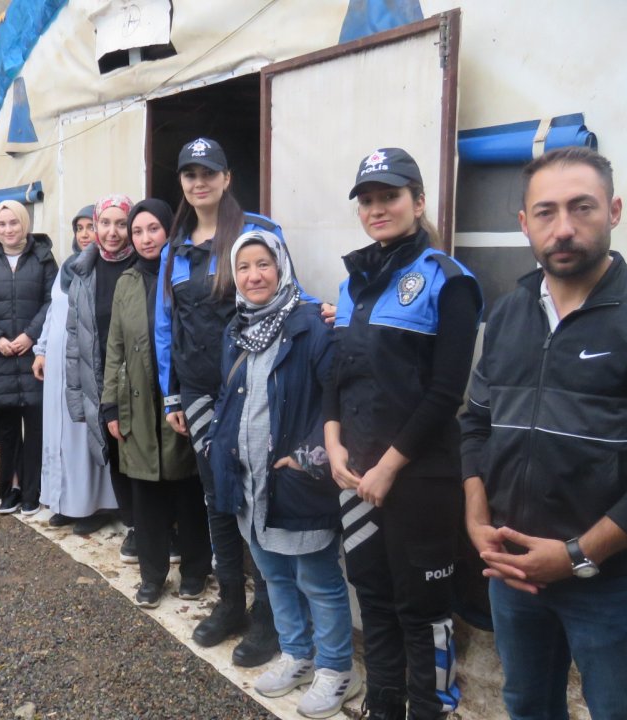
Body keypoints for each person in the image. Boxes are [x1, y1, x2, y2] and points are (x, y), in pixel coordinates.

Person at [460, 147, 627, 719]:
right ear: (524, 224)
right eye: (546, 212)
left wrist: (577, 555)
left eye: (583, 208)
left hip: (613, 585)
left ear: (615, 211)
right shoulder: (508, 315)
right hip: (513, 570)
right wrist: (476, 518)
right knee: (528, 705)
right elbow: (476, 422)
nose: (565, 229)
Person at [154, 137, 329, 666]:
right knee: (219, 500)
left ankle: (269, 618)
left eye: (209, 172)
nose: (199, 181)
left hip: (256, 394)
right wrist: (172, 397)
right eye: (189, 174)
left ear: (227, 178)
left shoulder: (260, 233)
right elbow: (167, 330)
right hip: (202, 398)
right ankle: (230, 602)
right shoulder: (174, 249)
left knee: (261, 499)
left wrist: (329, 315)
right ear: (182, 183)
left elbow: (289, 296)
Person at [324, 148, 481, 719]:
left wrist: (389, 467)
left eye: (389, 196)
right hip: (355, 474)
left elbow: (447, 394)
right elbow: (337, 375)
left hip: (418, 477)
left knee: (424, 610)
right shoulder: (354, 283)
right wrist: (334, 440)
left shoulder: (449, 281)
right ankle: (384, 704)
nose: (377, 208)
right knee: (375, 598)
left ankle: (430, 708)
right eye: (366, 200)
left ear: (418, 201)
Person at [212, 231, 361, 718]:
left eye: (263, 265)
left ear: (281, 268)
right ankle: (298, 655)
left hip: (296, 480)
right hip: (249, 481)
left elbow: (336, 400)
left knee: (318, 578)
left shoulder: (309, 326)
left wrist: (309, 456)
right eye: (244, 267)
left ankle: (337, 669)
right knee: (273, 574)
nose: (254, 276)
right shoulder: (236, 328)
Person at [101, 198, 210, 608]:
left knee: (187, 488)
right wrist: (109, 405)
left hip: (179, 399)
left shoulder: (183, 274)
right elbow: (114, 347)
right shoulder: (126, 281)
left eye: (154, 229)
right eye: (138, 231)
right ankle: (152, 575)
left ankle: (197, 570)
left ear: (170, 231)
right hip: (135, 405)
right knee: (145, 497)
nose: (146, 238)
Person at [0, 200, 56, 515]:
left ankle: (33, 489)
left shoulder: (43, 256)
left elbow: (51, 300)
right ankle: (11, 488)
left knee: (35, 426)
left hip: (34, 354)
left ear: (25, 223)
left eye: (14, 223)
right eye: (1, 224)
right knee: (7, 428)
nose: (8, 230)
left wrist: (30, 335)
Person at [64, 194, 141, 558]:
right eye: (104, 224)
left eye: (121, 223)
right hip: (100, 377)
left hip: (139, 377)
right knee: (113, 449)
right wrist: (77, 395)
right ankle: (135, 525)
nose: (112, 232)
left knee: (144, 452)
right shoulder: (83, 271)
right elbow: (74, 337)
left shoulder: (146, 263)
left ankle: (158, 526)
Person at [33, 206, 117, 533]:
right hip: (57, 366)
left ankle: (93, 505)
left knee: (84, 433)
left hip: (84, 361)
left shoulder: (102, 267)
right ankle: (64, 500)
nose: (84, 234)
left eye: (90, 227)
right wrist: (41, 350)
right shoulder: (67, 268)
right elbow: (53, 313)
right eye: (79, 227)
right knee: (59, 432)